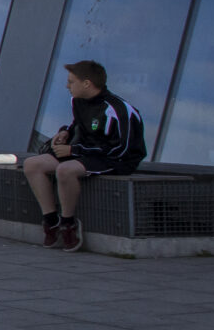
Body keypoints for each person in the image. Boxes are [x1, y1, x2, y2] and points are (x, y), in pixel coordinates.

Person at [22, 59, 147, 251]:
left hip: (116, 160)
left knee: (65, 170)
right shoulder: (78, 101)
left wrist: (74, 151)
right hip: (86, 153)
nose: (67, 86)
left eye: (71, 82)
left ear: (87, 83)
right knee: (32, 164)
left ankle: (68, 223)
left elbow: (121, 150)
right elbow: (79, 125)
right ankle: (51, 221)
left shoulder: (119, 110)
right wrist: (66, 132)